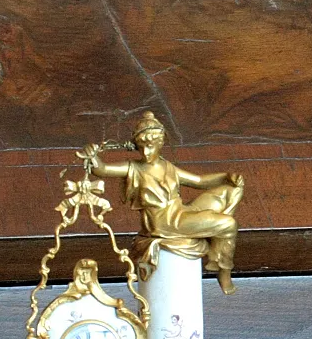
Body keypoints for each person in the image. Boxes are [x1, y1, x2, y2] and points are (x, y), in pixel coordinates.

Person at [86, 112, 245, 294]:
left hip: (181, 212)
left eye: (150, 147)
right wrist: (93, 157)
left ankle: (217, 250)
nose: (146, 152)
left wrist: (226, 176)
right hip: (164, 223)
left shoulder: (167, 166)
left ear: (160, 144)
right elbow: (103, 169)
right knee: (228, 223)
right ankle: (224, 271)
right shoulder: (133, 168)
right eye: (141, 147)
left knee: (232, 189)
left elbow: (199, 181)